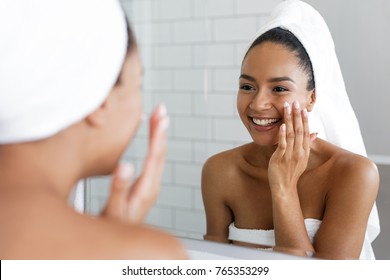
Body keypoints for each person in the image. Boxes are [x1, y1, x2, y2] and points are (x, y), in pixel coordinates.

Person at [0, 0, 187, 259]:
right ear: (99, 102)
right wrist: (118, 246)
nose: (141, 114)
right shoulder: (149, 256)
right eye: (138, 84)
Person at [202, 0, 380, 259]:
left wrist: (283, 188)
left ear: (312, 98)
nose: (258, 103)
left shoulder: (354, 174)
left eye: (279, 89)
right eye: (247, 86)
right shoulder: (220, 171)